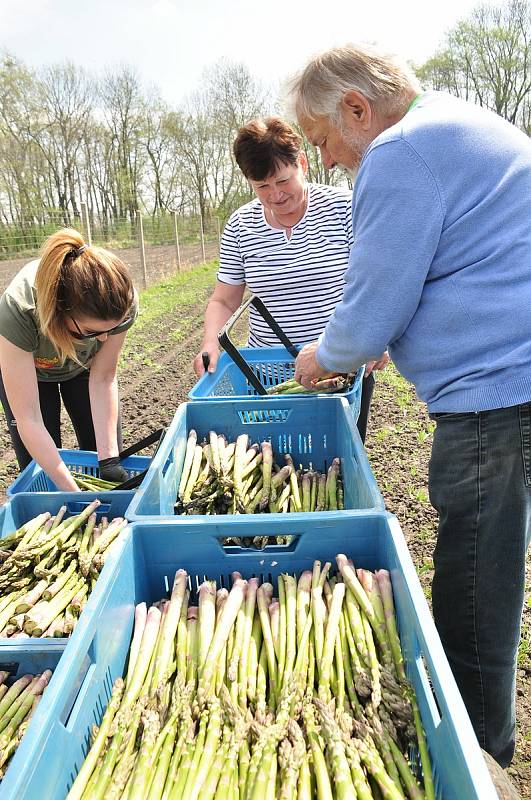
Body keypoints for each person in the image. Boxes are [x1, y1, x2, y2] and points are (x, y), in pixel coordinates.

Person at [288, 43, 531, 768]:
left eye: (325, 140)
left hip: (495, 396)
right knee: (488, 565)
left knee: (474, 582)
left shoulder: (401, 150)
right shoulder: (454, 125)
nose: (328, 161)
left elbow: (372, 301)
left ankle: (477, 753)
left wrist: (323, 356)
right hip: (509, 384)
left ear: (357, 109)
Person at [193, 116, 388, 441]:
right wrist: (211, 340)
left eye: (283, 181)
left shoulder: (344, 209)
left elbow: (373, 286)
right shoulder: (241, 225)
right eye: (262, 187)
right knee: (278, 457)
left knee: (339, 457)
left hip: (336, 369)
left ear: (302, 163)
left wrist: (375, 337)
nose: (275, 196)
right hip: (268, 377)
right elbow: (225, 299)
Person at [0, 228, 138, 492]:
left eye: (112, 328)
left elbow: (104, 376)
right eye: (92, 332)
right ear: (60, 311)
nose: (104, 340)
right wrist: (72, 492)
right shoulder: (19, 309)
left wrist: (108, 459)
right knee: (41, 471)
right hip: (32, 371)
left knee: (102, 456)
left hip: (83, 367)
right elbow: (28, 418)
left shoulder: (121, 302)